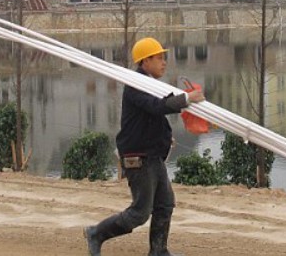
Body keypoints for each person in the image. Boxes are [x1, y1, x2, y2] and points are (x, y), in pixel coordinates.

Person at [84, 37, 205, 256]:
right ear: (144, 61)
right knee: (139, 213)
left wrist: (165, 138)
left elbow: (156, 113)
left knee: (165, 205)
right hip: (138, 157)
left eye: (163, 57)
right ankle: (96, 233)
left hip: (152, 156)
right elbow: (157, 107)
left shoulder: (150, 84)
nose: (164, 62)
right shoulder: (136, 85)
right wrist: (186, 98)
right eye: (159, 58)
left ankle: (158, 252)